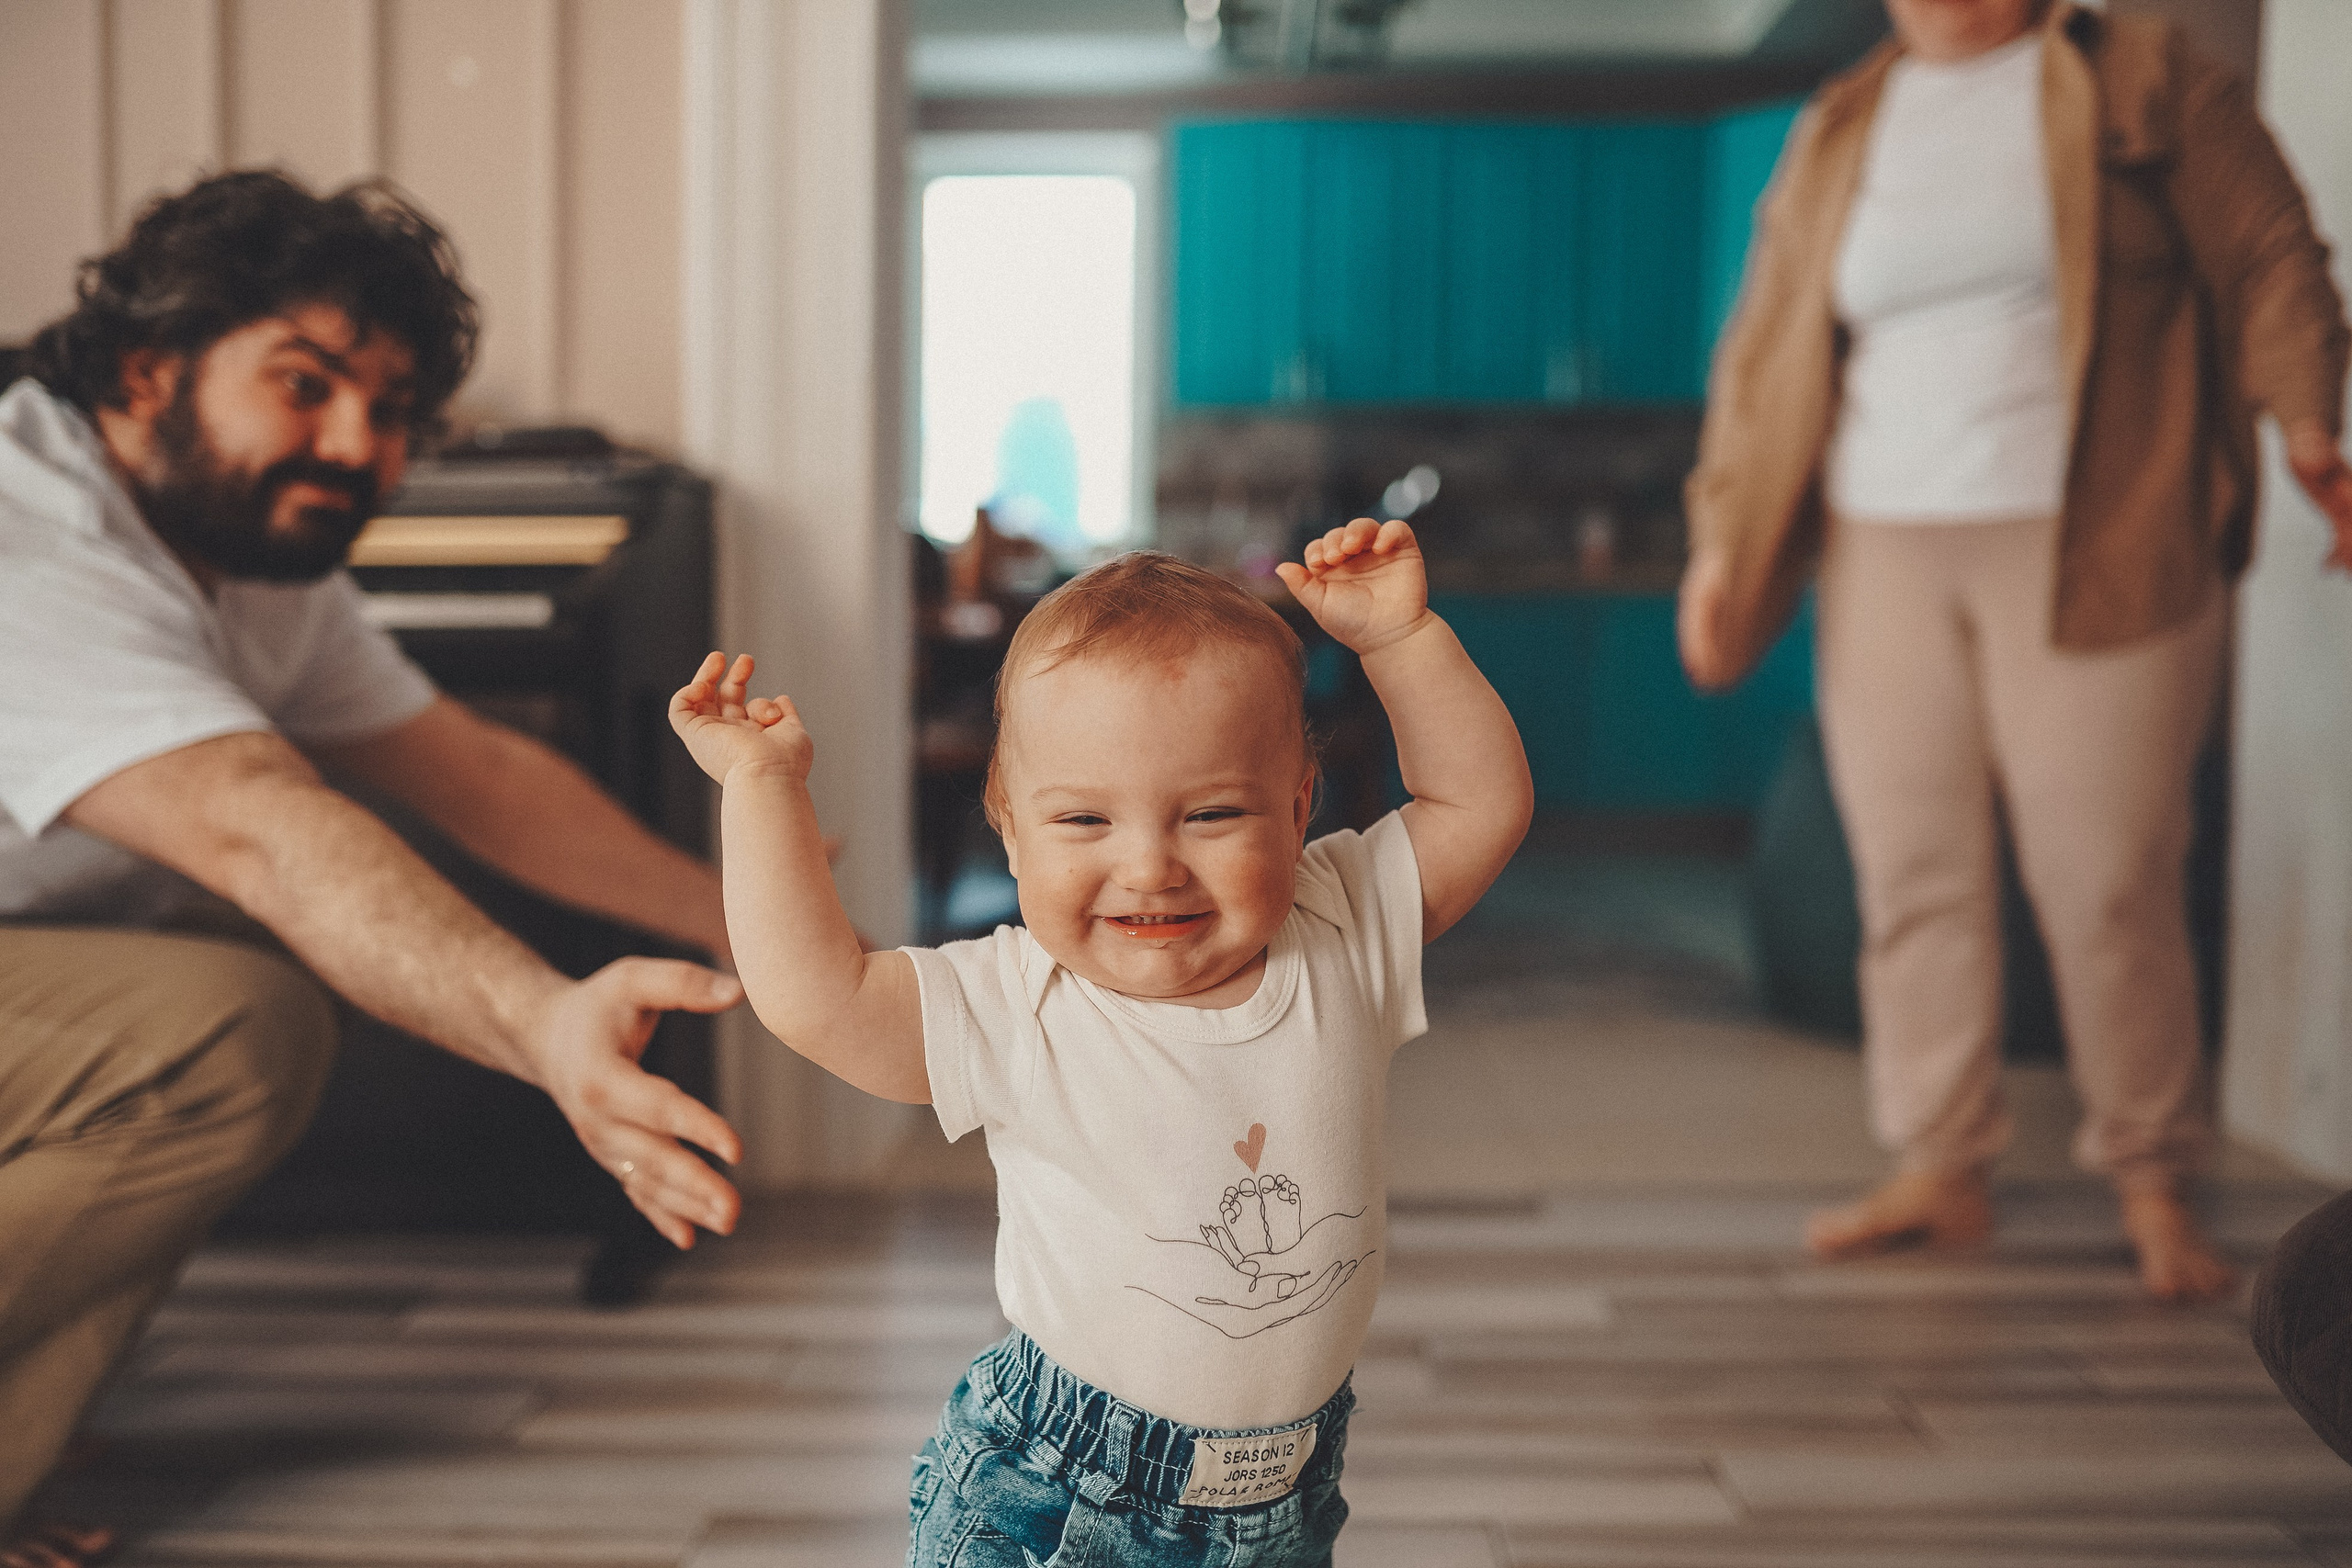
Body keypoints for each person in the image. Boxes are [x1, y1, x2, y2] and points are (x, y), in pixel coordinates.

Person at [0, 171, 748, 1565]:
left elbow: (477, 772)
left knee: (234, 979)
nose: (358, 444)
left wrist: (764, 924)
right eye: (306, 384)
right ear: (148, 370)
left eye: (395, 410)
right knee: (225, 1025)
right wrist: (544, 1024)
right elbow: (253, 820)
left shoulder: (250, 556)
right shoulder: (28, 534)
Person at [670, 526, 1531, 1566]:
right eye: (1084, 820)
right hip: (1060, 1492)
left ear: (1299, 806)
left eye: (1211, 813)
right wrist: (762, 788)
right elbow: (820, 997)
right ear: (1008, 827)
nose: (1150, 866)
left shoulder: (1341, 924)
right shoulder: (1018, 1002)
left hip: (1288, 1494)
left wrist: (1400, 640)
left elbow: (1478, 802)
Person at [1678, 0, 2352, 1302]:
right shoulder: (1839, 124)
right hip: (1879, 542)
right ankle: (1939, 1165)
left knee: (2107, 873)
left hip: (2103, 531)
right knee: (1909, 867)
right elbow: (1762, 350)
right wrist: (1722, 539)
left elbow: (2271, 251)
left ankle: (2153, 1176)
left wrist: (2309, 424)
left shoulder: (2148, 79)